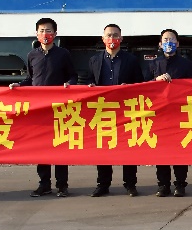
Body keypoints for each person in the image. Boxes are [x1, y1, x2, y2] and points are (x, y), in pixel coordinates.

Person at [12, 17, 77, 197]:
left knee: (60, 147)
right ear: (36, 34)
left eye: (48, 31)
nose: (45, 34)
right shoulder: (32, 55)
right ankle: (44, 184)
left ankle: (62, 185)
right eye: (42, 31)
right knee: (41, 146)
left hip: (58, 107)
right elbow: (30, 79)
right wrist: (19, 85)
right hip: (39, 109)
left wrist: (69, 84)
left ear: (55, 34)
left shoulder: (63, 54)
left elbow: (73, 76)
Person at [88, 24, 144, 197]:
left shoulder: (131, 60)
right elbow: (88, 81)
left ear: (121, 38)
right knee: (103, 148)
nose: (112, 39)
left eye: (115, 35)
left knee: (128, 147)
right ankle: (103, 184)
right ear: (102, 38)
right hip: (103, 110)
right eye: (108, 35)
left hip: (125, 110)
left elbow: (140, 83)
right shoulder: (95, 60)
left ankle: (130, 184)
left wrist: (130, 87)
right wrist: (90, 86)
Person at [148, 28, 192, 196]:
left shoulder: (185, 64)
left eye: (172, 39)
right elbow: (143, 86)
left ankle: (180, 184)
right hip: (160, 114)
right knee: (161, 150)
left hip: (179, 113)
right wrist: (156, 80)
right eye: (166, 40)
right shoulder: (153, 64)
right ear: (160, 44)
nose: (169, 42)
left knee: (180, 150)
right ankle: (163, 185)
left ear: (178, 43)